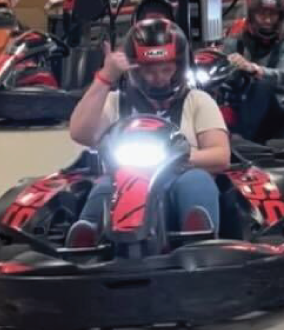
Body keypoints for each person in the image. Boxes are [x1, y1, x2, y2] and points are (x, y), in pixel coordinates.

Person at [64, 17, 231, 246]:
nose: (159, 78)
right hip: (122, 182)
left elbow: (220, 156)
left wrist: (174, 157)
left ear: (179, 67)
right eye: (149, 70)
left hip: (180, 178)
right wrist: (106, 78)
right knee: (103, 186)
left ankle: (200, 242)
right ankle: (87, 241)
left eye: (166, 69)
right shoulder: (116, 102)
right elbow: (80, 133)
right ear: (134, 69)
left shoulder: (197, 101)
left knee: (197, 181)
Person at [214, 0, 284, 142]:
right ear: (251, 15)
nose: (267, 20)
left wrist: (254, 69)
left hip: (275, 115)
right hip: (236, 106)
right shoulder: (234, 42)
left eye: (272, 15)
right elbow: (221, 73)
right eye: (262, 14)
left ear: (281, 17)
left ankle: (244, 141)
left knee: (261, 85)